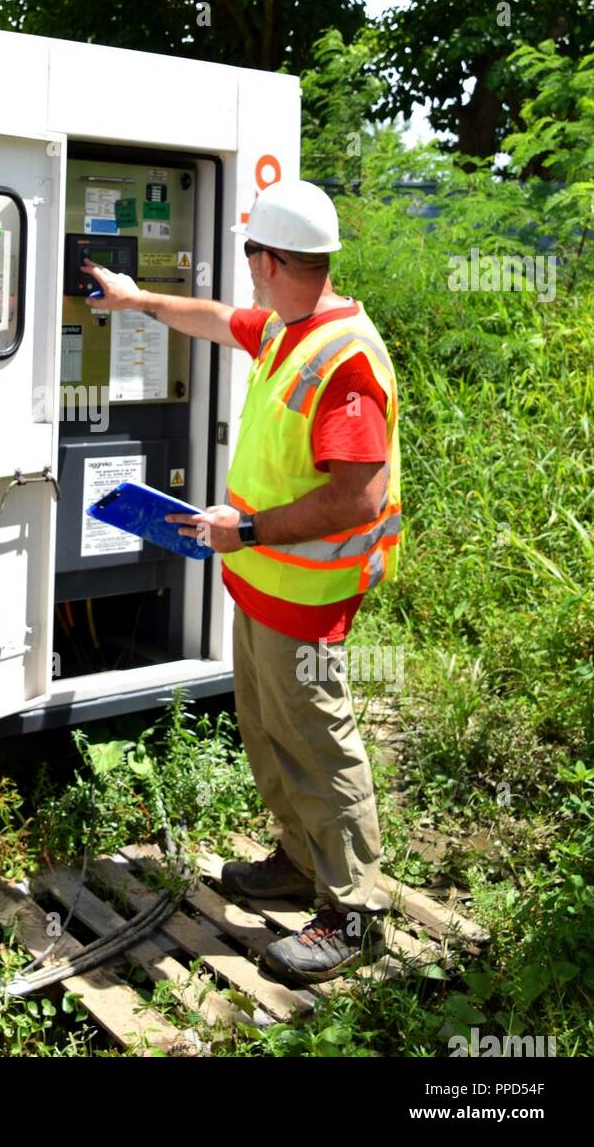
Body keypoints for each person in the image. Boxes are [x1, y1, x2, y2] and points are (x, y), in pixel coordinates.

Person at [81, 178, 401, 983]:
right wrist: (135, 298)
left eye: (250, 253)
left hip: (305, 595)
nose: (245, 271)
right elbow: (219, 321)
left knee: (317, 745)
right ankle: (300, 861)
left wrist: (245, 529)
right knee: (267, 732)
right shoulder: (293, 329)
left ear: (272, 259)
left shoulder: (344, 360)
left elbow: (355, 495)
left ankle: (355, 909)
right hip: (262, 586)